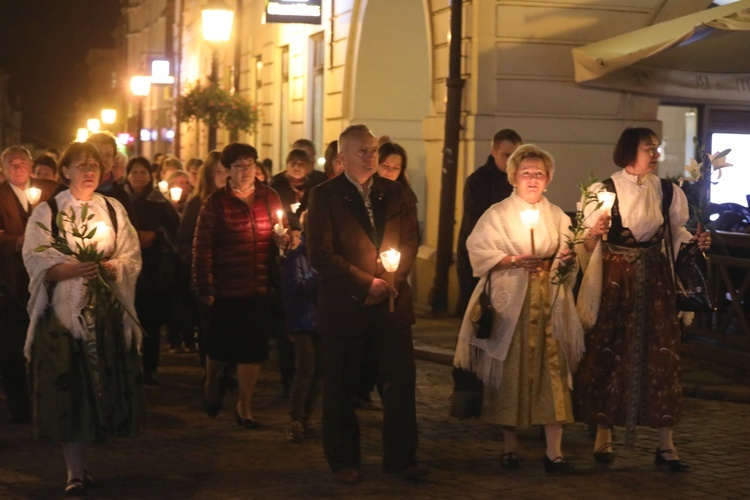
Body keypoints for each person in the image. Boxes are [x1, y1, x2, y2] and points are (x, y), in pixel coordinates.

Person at [574, 127, 710, 472]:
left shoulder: (667, 191)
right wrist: (594, 233)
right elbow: (584, 241)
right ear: (629, 151)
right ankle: (603, 433)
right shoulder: (603, 190)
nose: (655, 153)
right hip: (616, 281)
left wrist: (694, 242)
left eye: (656, 147)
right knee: (610, 349)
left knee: (660, 356)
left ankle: (665, 443)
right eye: (648, 148)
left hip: (655, 282)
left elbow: (674, 233)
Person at [22, 142, 143, 497]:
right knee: (71, 391)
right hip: (63, 318)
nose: (89, 171)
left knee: (98, 391)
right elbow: (35, 260)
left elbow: (130, 253)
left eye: (95, 165)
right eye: (81, 165)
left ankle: (85, 459)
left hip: (104, 313)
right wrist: (70, 269)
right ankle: (73, 470)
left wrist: (113, 267)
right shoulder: (48, 212)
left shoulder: (113, 209)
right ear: (66, 172)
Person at [307, 124, 427, 484]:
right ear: (342, 158)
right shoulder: (325, 196)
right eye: (363, 151)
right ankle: (344, 458)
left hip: (392, 303)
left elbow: (409, 240)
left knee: (401, 383)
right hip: (346, 306)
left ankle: (401, 457)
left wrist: (391, 281)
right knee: (341, 386)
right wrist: (365, 284)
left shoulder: (395, 192)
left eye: (374, 150)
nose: (372, 157)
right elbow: (321, 254)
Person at [454, 144, 584, 474]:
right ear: (513, 177)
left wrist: (565, 258)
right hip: (511, 304)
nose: (532, 179)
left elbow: (570, 250)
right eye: (526, 173)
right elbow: (478, 249)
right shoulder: (498, 214)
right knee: (509, 373)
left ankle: (553, 451)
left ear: (548, 179)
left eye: (538, 173)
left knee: (551, 372)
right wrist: (512, 259)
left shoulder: (555, 215)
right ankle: (510, 445)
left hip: (548, 303)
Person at [193, 142, 287, 428]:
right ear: (228, 171)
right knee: (220, 350)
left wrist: (283, 240)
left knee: (253, 351)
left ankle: (244, 406)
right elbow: (203, 247)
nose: (246, 171)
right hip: (225, 289)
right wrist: (206, 287)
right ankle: (212, 383)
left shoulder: (269, 198)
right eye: (239, 166)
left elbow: (279, 232)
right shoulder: (215, 203)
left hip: (258, 287)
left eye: (250, 165)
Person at [0, 145, 59, 424]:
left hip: (45, 279)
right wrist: (16, 240)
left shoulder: (49, 190)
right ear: (3, 168)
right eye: (11, 163)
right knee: (12, 346)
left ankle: (44, 400)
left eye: (22, 162)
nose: (17, 167)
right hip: (10, 282)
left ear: (31, 164)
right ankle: (20, 407)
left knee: (43, 343)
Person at [123, 156, 180, 386]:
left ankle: (150, 367)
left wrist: (155, 234)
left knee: (151, 321)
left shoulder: (159, 201)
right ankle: (129, 364)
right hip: (126, 267)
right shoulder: (121, 199)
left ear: (151, 175)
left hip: (154, 269)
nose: (139, 177)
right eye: (134, 172)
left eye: (143, 172)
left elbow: (174, 228)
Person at [456, 129, 522, 315]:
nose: (510, 160)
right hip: (479, 255)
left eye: (515, 155)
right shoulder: (477, 181)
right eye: (505, 155)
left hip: (509, 257)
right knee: (477, 313)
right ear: (493, 152)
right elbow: (477, 223)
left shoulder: (519, 181)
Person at [174, 151, 226, 357]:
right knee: (209, 329)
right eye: (218, 171)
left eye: (226, 170)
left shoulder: (237, 200)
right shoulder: (197, 203)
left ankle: (228, 373)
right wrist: (200, 261)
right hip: (206, 277)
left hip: (232, 276)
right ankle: (211, 375)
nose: (223, 176)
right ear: (209, 175)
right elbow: (183, 242)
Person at [282, 213, 322, 443]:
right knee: (306, 368)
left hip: (324, 320)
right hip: (303, 321)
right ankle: (295, 418)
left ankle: (309, 416)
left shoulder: (330, 254)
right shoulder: (297, 257)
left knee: (321, 372)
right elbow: (294, 289)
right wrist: (318, 278)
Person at [86, 132, 138, 226]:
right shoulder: (70, 189)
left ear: (114, 160)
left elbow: (131, 234)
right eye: (97, 153)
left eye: (108, 155)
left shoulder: (121, 196)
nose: (102, 159)